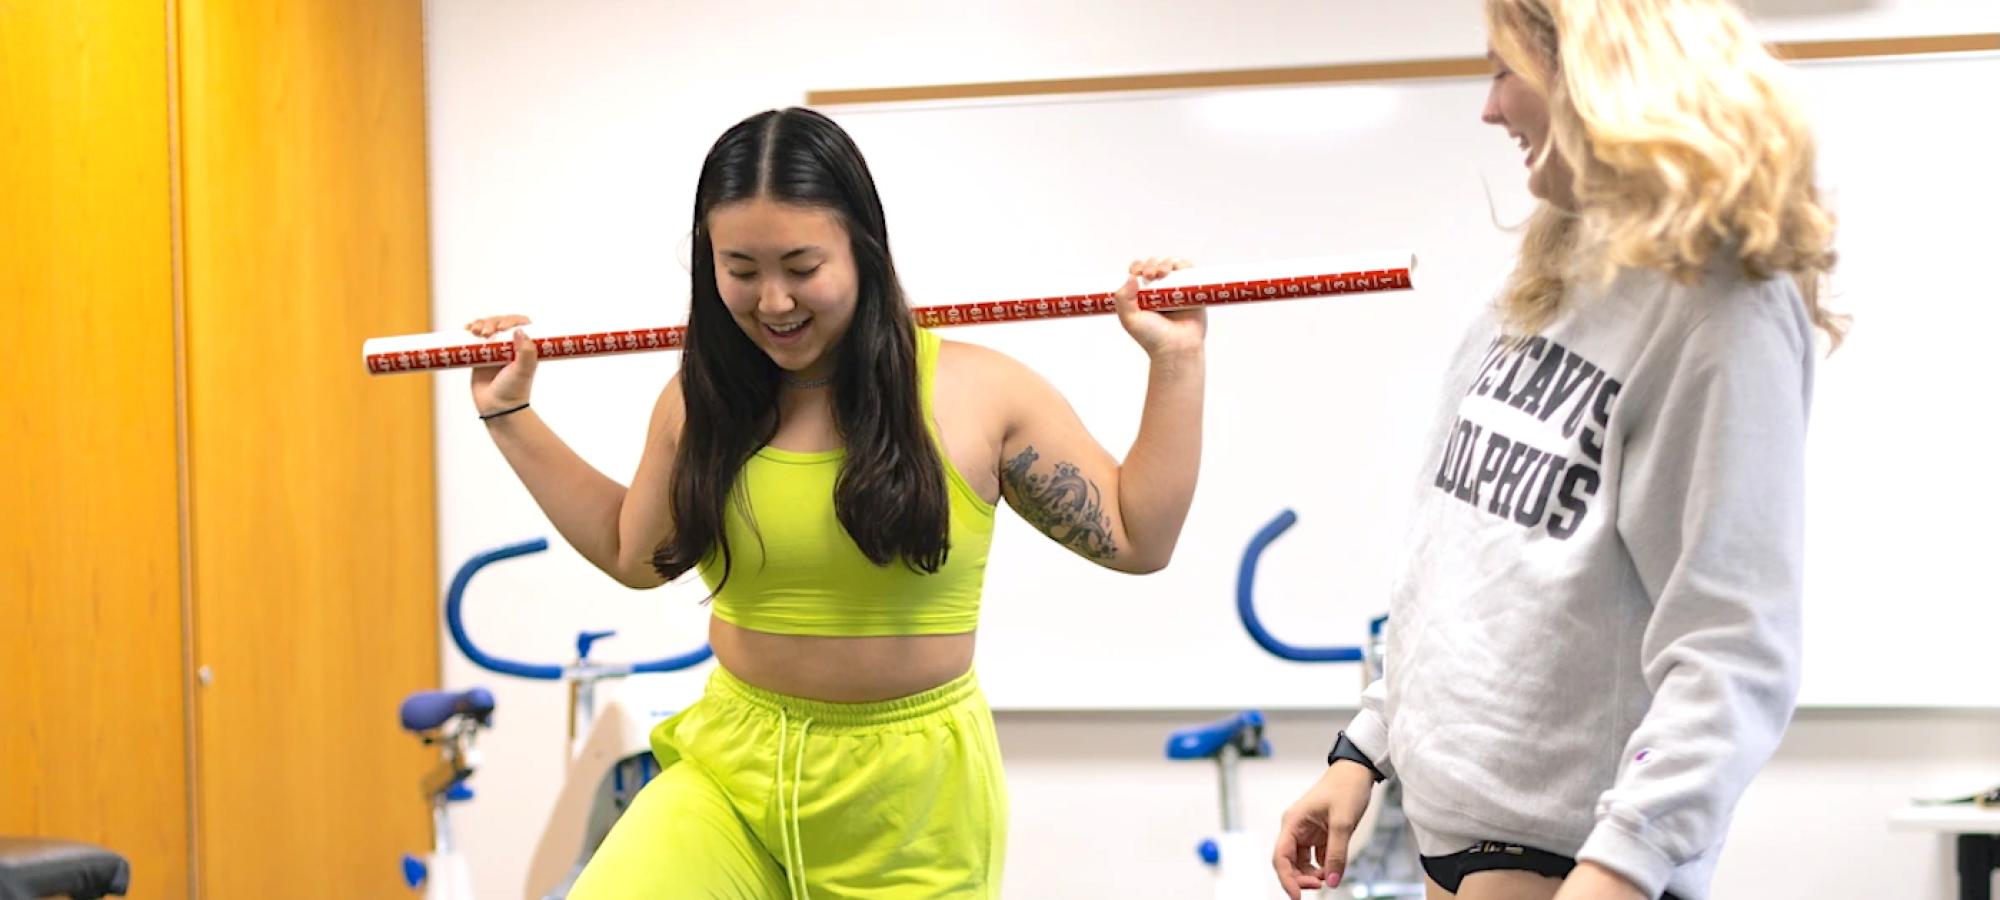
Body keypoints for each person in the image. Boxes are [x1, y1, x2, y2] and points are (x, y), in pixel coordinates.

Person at [465, 107, 1206, 898]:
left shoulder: (978, 393)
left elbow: (1136, 536)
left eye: (801, 265)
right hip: (732, 773)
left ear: (862, 247)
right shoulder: (701, 402)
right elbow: (631, 552)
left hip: (909, 803)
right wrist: (508, 414)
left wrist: (1177, 362)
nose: (774, 302)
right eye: (741, 271)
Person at [1272, 2, 1842, 899]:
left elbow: (1733, 648)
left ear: (1594, 72)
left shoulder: (1721, 308)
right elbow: (1451, 565)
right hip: (1449, 832)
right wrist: (1365, 746)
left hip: (1569, 862)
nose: (1489, 108)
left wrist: (1622, 863)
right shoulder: (1546, 277)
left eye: (1505, 71)